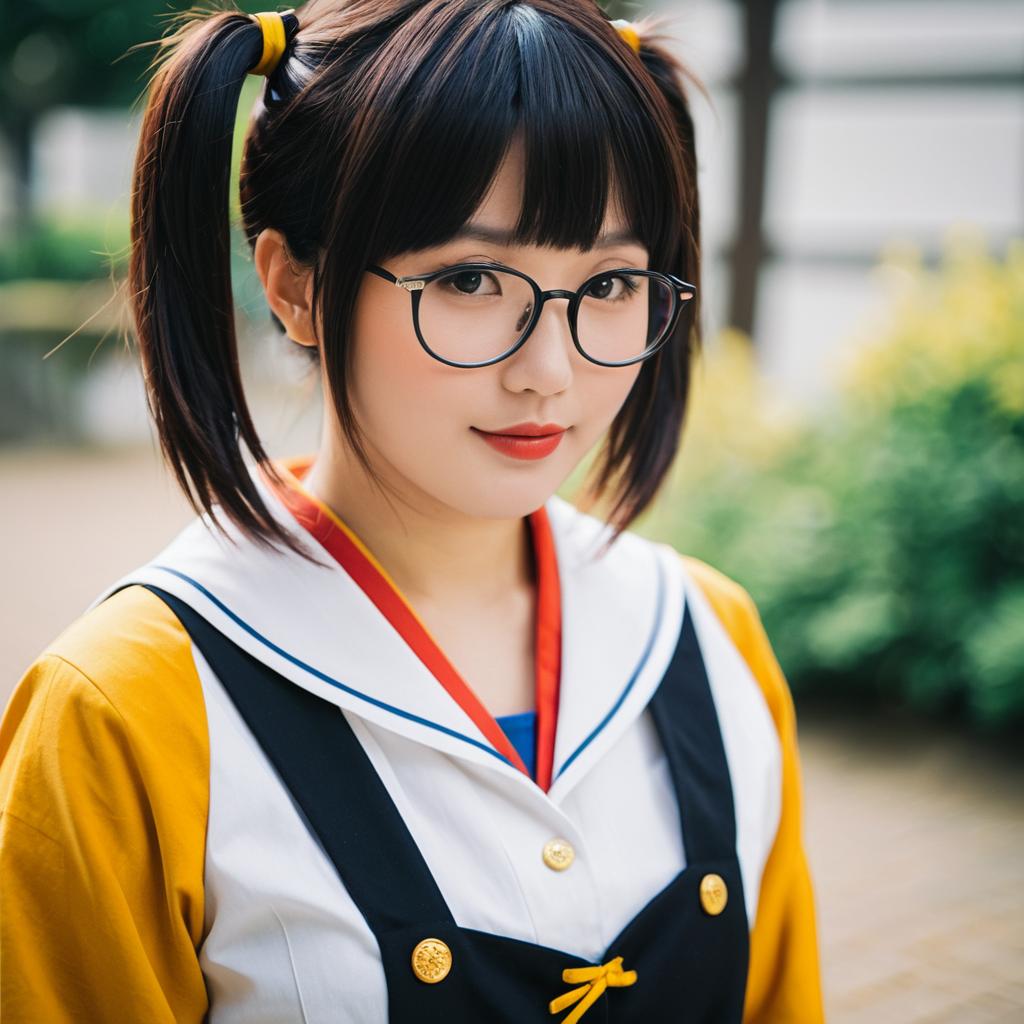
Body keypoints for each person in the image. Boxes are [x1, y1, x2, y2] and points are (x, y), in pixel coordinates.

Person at [0, 2, 824, 1021]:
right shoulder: (124, 711)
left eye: (611, 282)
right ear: (294, 285)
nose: (549, 371)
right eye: (472, 280)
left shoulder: (707, 637)